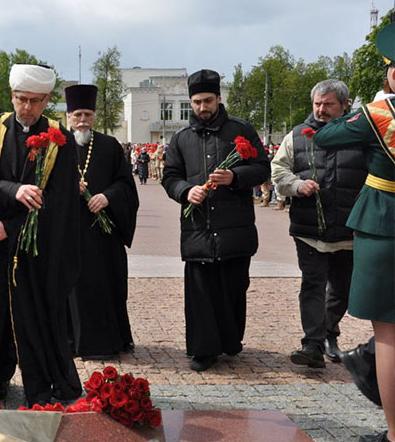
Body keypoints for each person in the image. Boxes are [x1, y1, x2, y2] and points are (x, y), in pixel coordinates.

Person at [0, 64, 82, 406]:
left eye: (36, 101)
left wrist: (13, 227)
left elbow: (63, 200)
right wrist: (12, 191)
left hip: (36, 250)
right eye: (22, 99)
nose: (27, 108)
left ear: (47, 100)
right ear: (12, 96)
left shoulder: (60, 139)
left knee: (34, 315)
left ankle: (39, 384)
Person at [314, 22, 395, 442]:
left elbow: (325, 135)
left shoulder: (377, 115)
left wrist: (358, 111)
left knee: (388, 333)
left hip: (385, 223)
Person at [162, 69, 269, 372]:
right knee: (200, 294)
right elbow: (170, 177)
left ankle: (230, 342)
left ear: (219, 98)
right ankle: (203, 350)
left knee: (233, 288)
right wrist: (186, 191)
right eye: (196, 102)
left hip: (234, 229)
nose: (202, 107)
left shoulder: (241, 130)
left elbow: (262, 168)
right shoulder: (182, 138)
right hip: (198, 229)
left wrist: (235, 176)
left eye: (208, 100)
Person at [271, 79, 365, 368]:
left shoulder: (362, 135)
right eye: (317, 104)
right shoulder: (297, 136)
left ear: (345, 105)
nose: (321, 110)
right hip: (310, 229)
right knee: (312, 284)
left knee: (343, 289)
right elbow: (278, 170)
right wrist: (297, 185)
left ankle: (328, 334)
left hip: (350, 230)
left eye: (328, 104)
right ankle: (312, 344)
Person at [64, 84, 140, 359]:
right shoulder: (57, 146)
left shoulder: (109, 146)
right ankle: (73, 341)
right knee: (71, 289)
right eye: (77, 115)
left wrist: (107, 197)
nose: (82, 120)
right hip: (70, 233)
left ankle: (110, 340)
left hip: (103, 236)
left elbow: (126, 186)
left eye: (87, 114)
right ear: (69, 116)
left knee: (107, 285)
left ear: (94, 116)